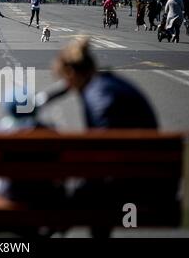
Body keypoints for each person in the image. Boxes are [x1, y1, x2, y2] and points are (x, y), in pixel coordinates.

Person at [52, 38, 168, 238]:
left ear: (72, 73)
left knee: (65, 199)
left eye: (65, 77)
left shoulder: (98, 95)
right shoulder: (107, 84)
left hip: (139, 187)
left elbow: (103, 150)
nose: (67, 85)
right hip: (149, 178)